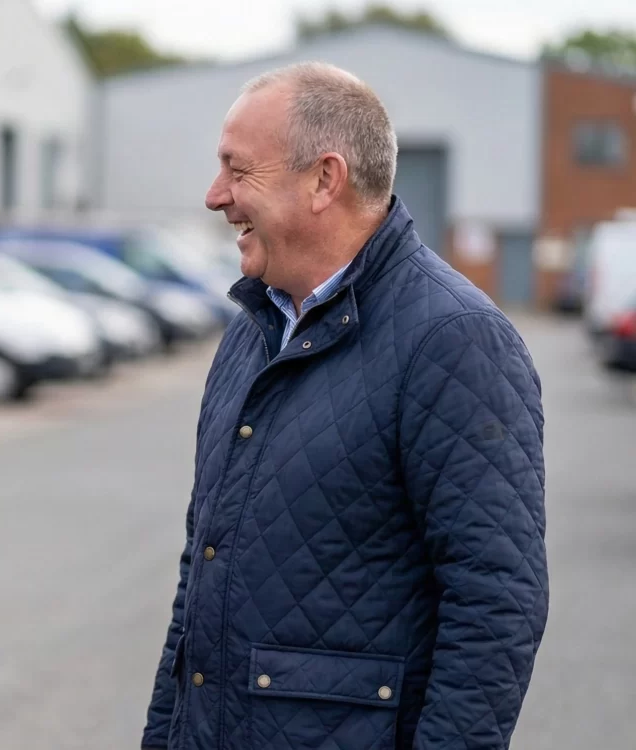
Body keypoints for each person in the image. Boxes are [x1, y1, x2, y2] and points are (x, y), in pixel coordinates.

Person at [141, 62, 548, 750]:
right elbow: (201, 573)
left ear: (325, 179)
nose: (216, 196)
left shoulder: (455, 340)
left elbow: (496, 604)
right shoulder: (251, 331)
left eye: (238, 172)